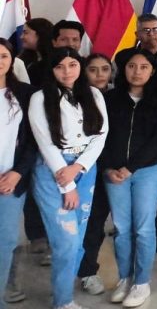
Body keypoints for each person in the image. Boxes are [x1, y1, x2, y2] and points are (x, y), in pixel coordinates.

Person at [28, 47, 107, 309]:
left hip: (85, 168)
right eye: (60, 66)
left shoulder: (93, 93)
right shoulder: (40, 98)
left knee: (78, 238)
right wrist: (68, 183)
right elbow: (46, 144)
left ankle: (63, 292)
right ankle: (63, 301)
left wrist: (80, 167)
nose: (67, 71)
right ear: (51, 70)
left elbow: (100, 136)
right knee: (66, 240)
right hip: (54, 171)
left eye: (72, 65)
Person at [100, 49, 157, 307]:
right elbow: (100, 136)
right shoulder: (109, 99)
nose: (137, 71)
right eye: (132, 66)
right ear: (124, 69)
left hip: (148, 171)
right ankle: (124, 278)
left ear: (152, 71)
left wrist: (130, 168)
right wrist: (108, 168)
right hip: (114, 172)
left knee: (143, 228)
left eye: (144, 67)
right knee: (121, 228)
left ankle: (141, 283)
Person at [114, 14, 157, 256]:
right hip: (132, 133)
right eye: (146, 30)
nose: (152, 34)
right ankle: (128, 231)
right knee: (126, 187)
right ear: (137, 34)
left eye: (156, 29)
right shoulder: (127, 58)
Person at [0, 39, 38, 308]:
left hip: (10, 180)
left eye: (3, 55)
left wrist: (18, 172)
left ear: (12, 60)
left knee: (5, 241)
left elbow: (33, 140)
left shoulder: (25, 94)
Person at [75, 52, 114, 296]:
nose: (100, 74)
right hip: (85, 169)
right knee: (91, 223)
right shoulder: (76, 98)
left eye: (105, 69)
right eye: (93, 69)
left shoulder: (118, 96)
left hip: (114, 169)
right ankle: (87, 272)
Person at [20, 17, 53, 84]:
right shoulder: (23, 59)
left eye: (25, 33)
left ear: (40, 34)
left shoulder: (54, 61)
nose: (21, 37)